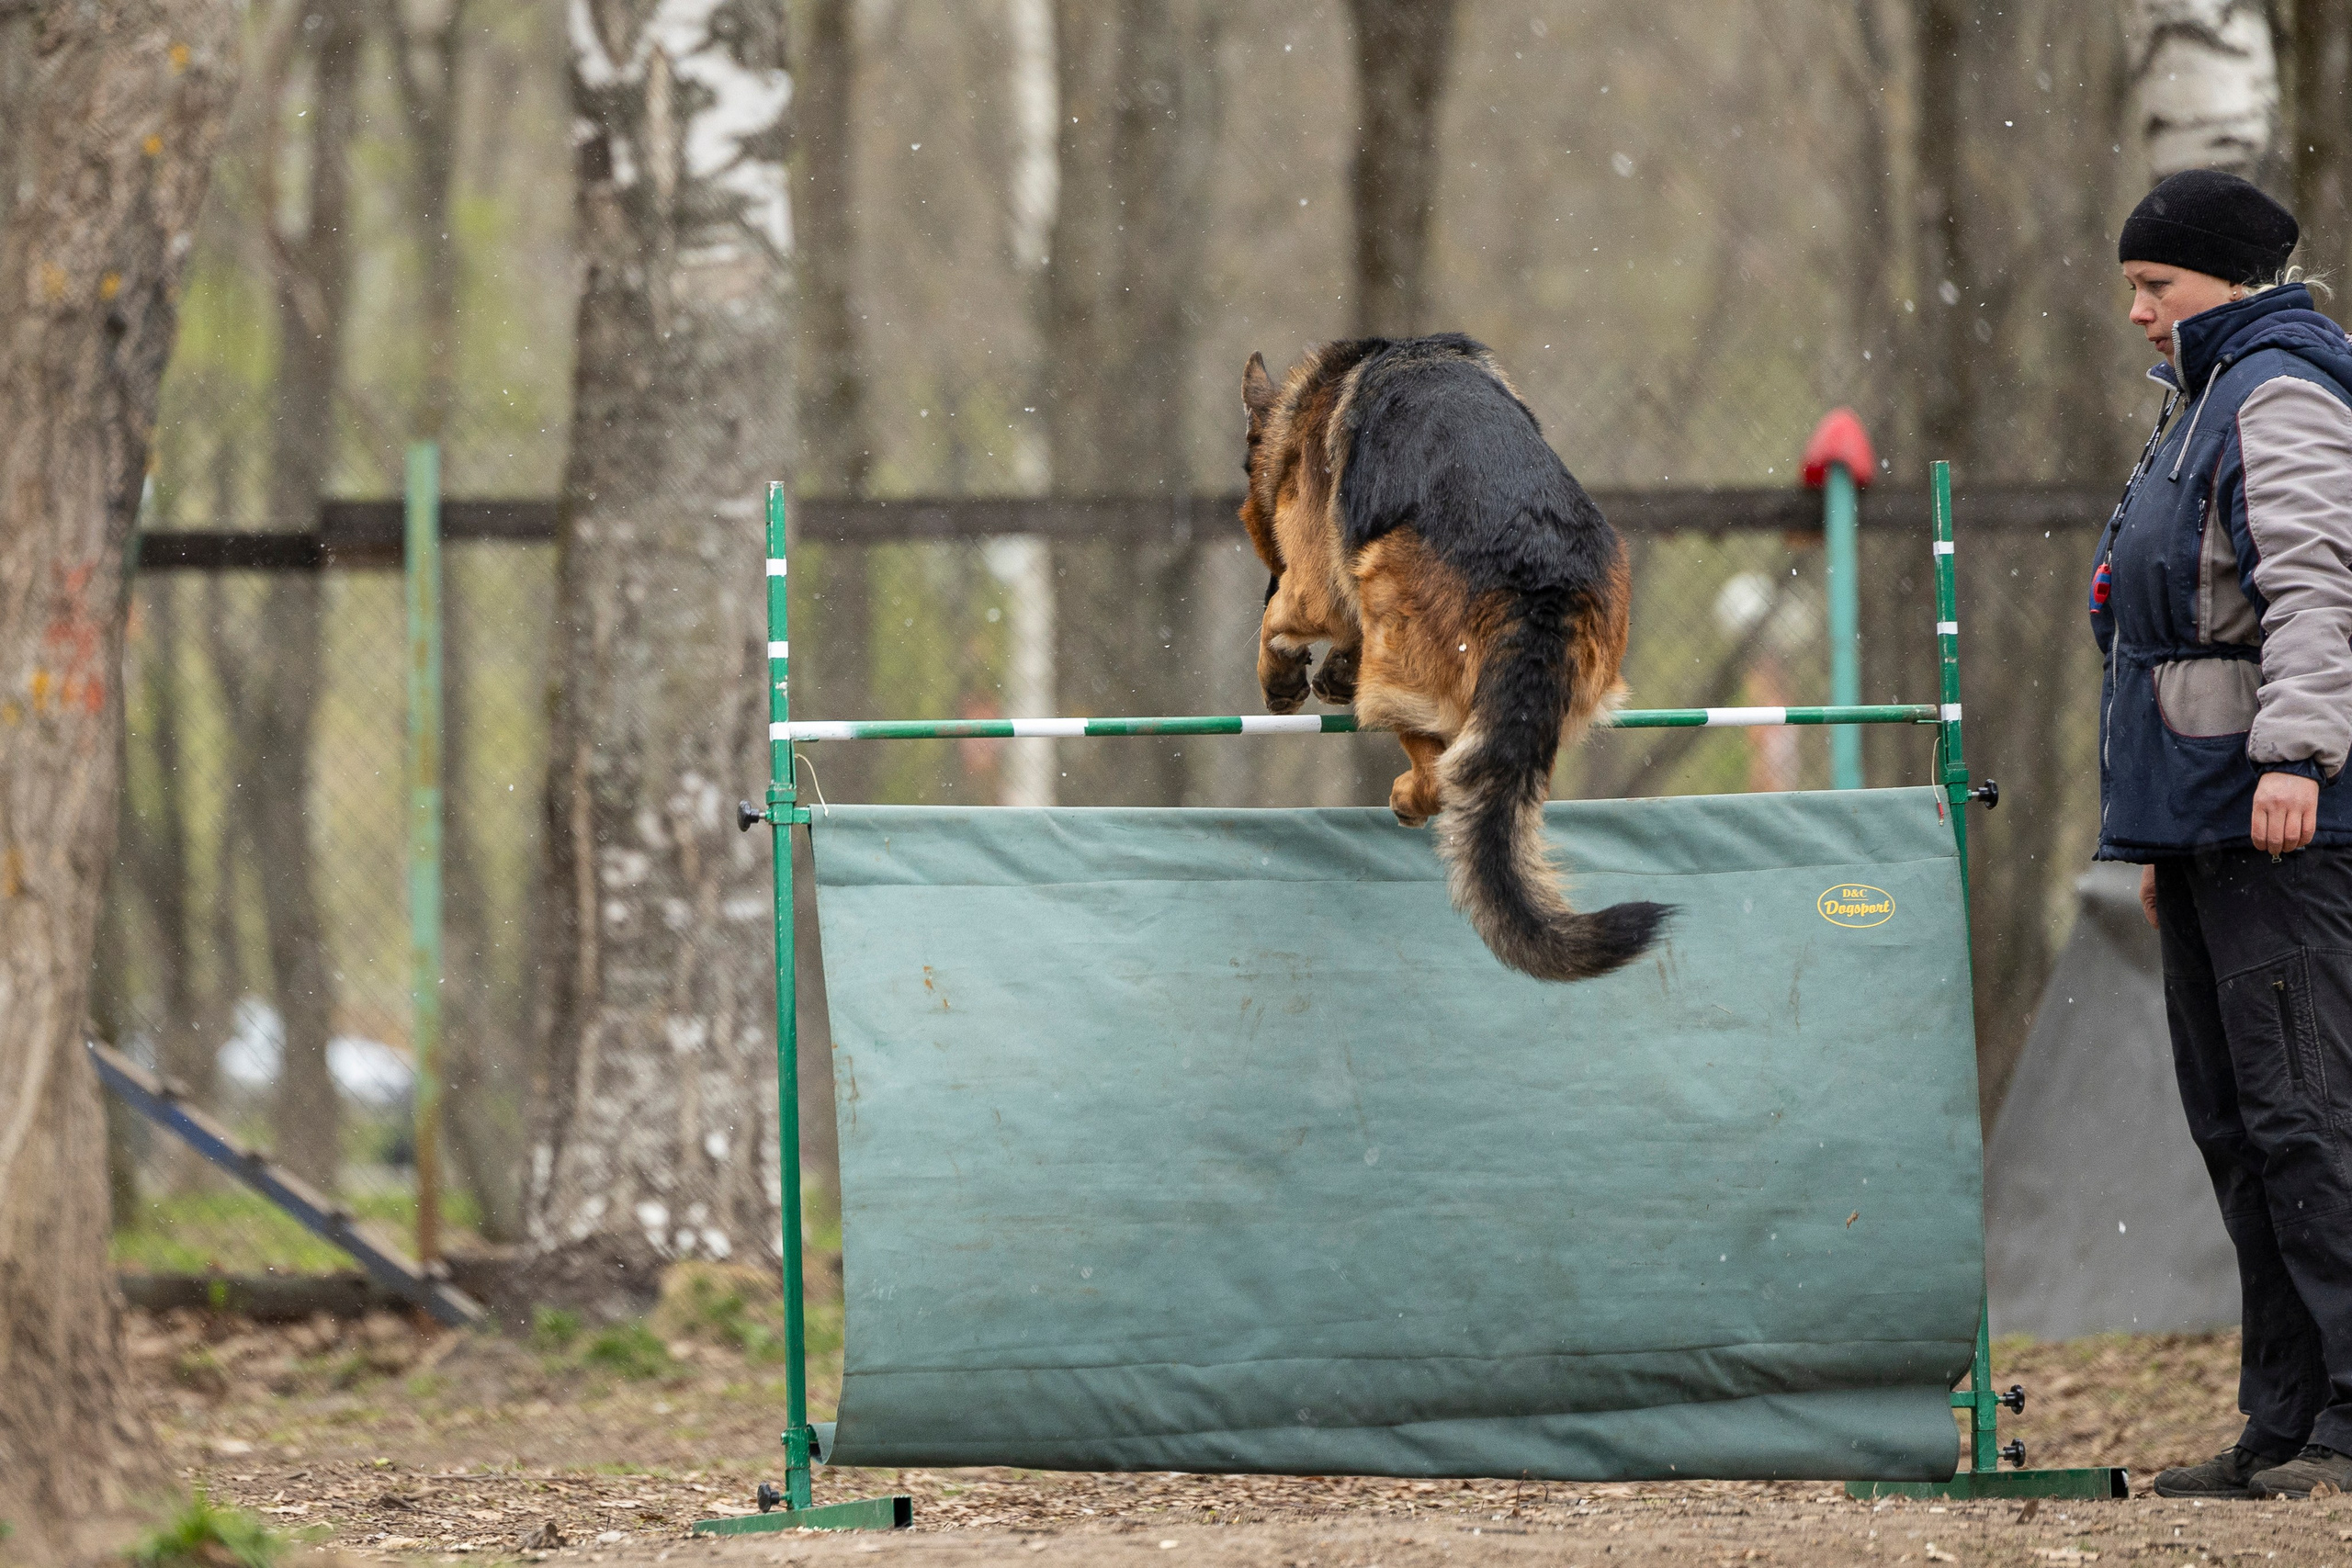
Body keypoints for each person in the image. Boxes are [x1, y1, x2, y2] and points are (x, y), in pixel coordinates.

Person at [2091, 167, 2352, 1500]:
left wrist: (2297, 756)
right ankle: (2283, 1424)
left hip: (2283, 822)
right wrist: (2154, 840)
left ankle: (2347, 1423)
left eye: (2158, 285)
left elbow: (2316, 586)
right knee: (2241, 1126)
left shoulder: (2282, 389)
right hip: (2203, 826)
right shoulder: (2201, 400)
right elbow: (2148, 629)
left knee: (2310, 1116)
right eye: (2134, 286)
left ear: (2230, 282)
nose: (2138, 310)